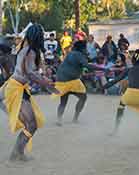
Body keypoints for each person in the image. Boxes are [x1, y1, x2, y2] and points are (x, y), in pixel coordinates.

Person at [0, 24, 58, 161]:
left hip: (17, 87)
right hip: (16, 89)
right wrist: (46, 83)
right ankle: (16, 154)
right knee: (31, 124)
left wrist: (45, 81)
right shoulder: (31, 51)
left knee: (31, 124)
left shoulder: (25, 48)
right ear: (38, 37)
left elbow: (28, 71)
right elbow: (31, 73)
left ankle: (17, 153)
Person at [103, 49, 139, 134]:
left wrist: (104, 86)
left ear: (133, 59)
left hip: (128, 96)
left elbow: (116, 80)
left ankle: (116, 129)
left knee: (121, 105)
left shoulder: (129, 69)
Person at [52, 40, 108, 126]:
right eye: (85, 48)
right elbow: (87, 65)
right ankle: (74, 118)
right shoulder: (78, 54)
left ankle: (59, 119)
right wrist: (103, 68)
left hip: (64, 79)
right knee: (82, 97)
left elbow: (84, 62)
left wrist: (92, 58)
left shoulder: (72, 53)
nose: (86, 49)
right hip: (69, 80)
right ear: (81, 49)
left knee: (63, 101)